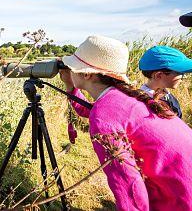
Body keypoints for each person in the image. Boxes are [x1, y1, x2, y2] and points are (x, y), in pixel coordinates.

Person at [58, 35, 192, 210]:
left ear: (86, 73)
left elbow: (128, 186)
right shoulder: (124, 97)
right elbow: (90, 111)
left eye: (73, 67)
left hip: (179, 199)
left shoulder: (105, 114)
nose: (70, 70)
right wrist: (70, 85)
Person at [138, 46, 192, 118]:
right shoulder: (143, 105)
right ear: (159, 75)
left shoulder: (167, 96)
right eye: (180, 73)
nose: (184, 76)